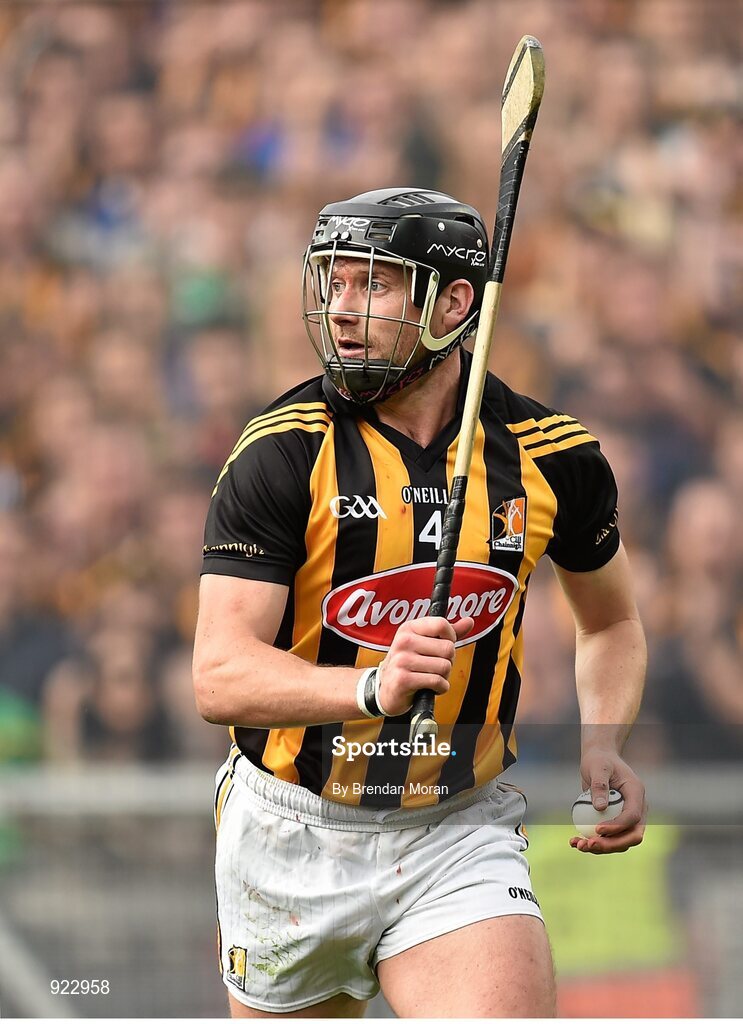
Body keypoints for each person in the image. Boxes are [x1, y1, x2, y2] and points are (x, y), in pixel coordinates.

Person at [193, 188, 647, 1018]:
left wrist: (602, 739)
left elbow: (611, 622)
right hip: (291, 828)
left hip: (455, 827)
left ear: (454, 303)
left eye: (373, 285)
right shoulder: (283, 450)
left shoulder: (554, 456)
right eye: (333, 282)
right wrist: (368, 687)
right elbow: (219, 675)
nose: (340, 309)